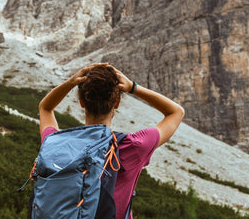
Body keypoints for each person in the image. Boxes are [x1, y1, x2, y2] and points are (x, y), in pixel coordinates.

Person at [38, 63, 185, 219]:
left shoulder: (54, 143)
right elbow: (176, 112)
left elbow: (45, 108)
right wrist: (133, 87)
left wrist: (71, 83)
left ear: (81, 102)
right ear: (117, 103)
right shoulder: (133, 146)